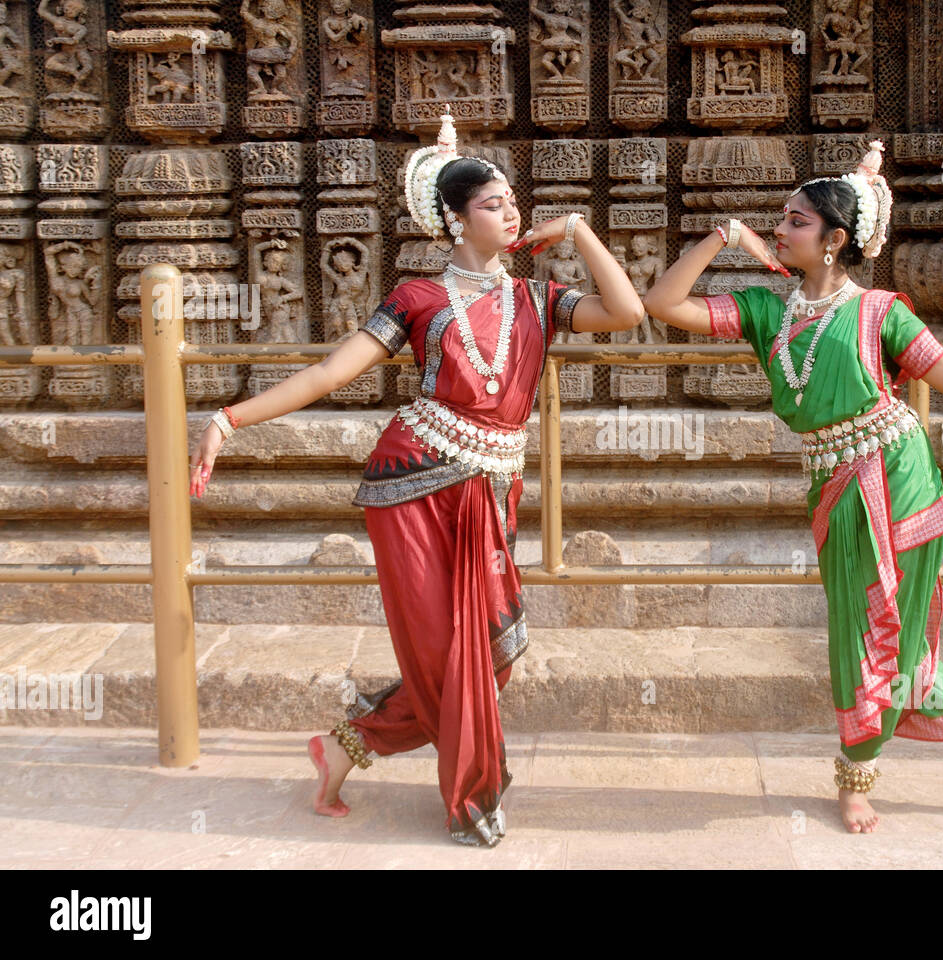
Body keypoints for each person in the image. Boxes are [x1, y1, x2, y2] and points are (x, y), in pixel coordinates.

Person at [187, 106, 643, 847]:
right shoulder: (416, 299)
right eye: (493, 203)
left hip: (491, 486)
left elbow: (625, 312)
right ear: (457, 221)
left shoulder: (536, 298)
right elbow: (333, 371)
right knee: (443, 656)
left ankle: (342, 747)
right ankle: (466, 798)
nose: (512, 212)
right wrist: (229, 420)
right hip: (412, 483)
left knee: (486, 655)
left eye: (512, 201)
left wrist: (580, 233)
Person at [642, 140, 943, 834]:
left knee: (873, 633)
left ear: (834, 241)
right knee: (877, 636)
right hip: (834, 487)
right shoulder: (768, 311)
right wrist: (719, 236)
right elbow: (663, 303)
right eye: (781, 218)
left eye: (796, 221)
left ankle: (857, 775)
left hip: (899, 478)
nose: (779, 229)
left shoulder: (882, 313)